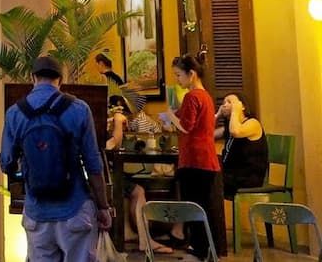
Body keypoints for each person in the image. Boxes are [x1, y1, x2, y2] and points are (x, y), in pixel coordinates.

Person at [0, 56, 111, 261]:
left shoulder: (15, 113)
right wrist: (103, 207)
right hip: (76, 210)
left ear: (33, 78)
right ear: (60, 79)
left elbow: (6, 162)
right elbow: (93, 164)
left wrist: (27, 171)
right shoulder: (79, 109)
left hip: (37, 213)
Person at [106, 96, 184, 254]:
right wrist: (117, 124)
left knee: (131, 186)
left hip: (106, 173)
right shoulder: (104, 120)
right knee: (137, 190)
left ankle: (130, 233)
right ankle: (144, 239)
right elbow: (113, 144)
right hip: (104, 175)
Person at [167, 55, 227, 258]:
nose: (177, 80)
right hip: (206, 159)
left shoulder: (192, 96)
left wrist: (170, 116)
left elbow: (186, 126)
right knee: (203, 206)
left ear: (191, 74)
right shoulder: (206, 96)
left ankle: (198, 248)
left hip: (195, 159)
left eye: (178, 75)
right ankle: (207, 247)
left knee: (193, 206)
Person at [215, 93, 268, 198]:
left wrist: (236, 110)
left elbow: (236, 131)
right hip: (231, 176)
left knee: (210, 182)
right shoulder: (228, 128)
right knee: (204, 177)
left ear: (242, 106)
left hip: (248, 178)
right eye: (223, 103)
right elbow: (207, 135)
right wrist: (217, 115)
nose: (224, 105)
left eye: (230, 102)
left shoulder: (252, 123)